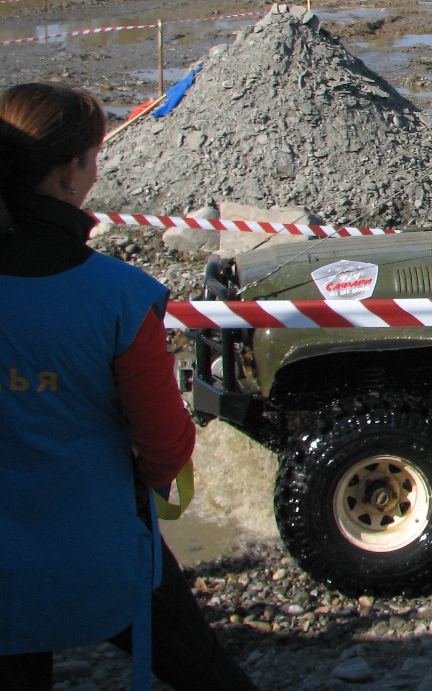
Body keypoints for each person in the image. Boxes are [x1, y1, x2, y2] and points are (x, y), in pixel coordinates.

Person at [0, 83, 258, 691]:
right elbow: (167, 447)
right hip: (101, 539)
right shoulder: (119, 295)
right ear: (72, 172)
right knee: (201, 669)